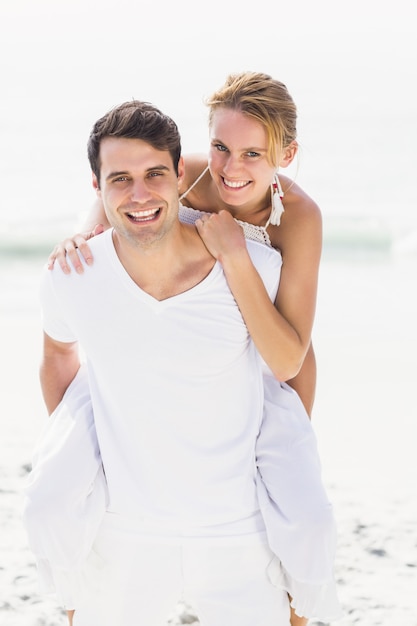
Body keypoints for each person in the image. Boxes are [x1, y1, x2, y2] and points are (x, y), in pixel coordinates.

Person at [27, 75, 342, 625]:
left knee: (302, 510)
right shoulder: (189, 174)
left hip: (274, 354)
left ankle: (294, 608)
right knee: (54, 492)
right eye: (221, 147)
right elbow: (118, 199)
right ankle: (78, 596)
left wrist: (234, 255)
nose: (232, 168)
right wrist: (79, 238)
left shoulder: (299, 217)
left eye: (253, 154)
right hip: (162, 346)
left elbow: (288, 355)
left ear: (286, 155)